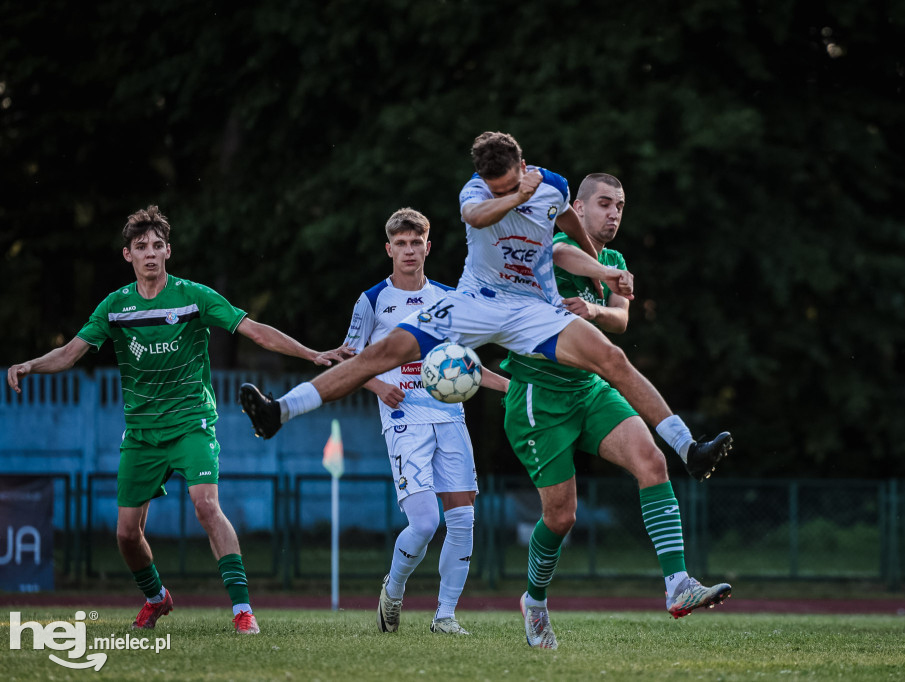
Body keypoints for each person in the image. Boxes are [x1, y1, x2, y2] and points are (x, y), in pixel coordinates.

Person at [238, 132, 731, 541]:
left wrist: (601, 270)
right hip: (474, 303)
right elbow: (478, 217)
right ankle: (278, 412)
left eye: (508, 183)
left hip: (532, 310)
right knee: (382, 353)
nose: (497, 191)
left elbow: (567, 220)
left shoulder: (554, 185)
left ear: (522, 163)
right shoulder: (476, 193)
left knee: (611, 358)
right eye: (493, 186)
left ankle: (689, 449)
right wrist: (515, 194)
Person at [6, 206, 339, 635]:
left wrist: (312, 355)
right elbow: (70, 353)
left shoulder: (193, 297)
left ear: (168, 252)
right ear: (128, 255)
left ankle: (242, 610)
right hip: (141, 435)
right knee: (127, 535)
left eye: (157, 246)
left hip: (191, 423)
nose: (150, 254)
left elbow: (254, 330)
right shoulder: (115, 306)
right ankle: (156, 598)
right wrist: (30, 364)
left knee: (205, 505)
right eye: (141, 247)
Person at [502, 173, 731, 650]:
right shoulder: (557, 239)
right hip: (537, 398)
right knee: (562, 518)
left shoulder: (616, 259)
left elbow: (622, 318)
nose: (613, 213)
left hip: (587, 389)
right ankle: (535, 600)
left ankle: (678, 584)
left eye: (620, 206)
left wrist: (594, 308)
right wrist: (602, 278)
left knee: (651, 462)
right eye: (604, 203)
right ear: (578, 209)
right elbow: (564, 255)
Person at [328, 208, 508, 636]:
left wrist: (513, 388)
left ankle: (444, 616)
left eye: (416, 243)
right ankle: (394, 589)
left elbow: (467, 366)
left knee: (463, 520)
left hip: (450, 417)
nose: (409, 250)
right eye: (401, 244)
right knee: (425, 523)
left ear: (429, 246)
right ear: (389, 249)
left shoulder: (449, 299)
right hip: (403, 417)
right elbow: (346, 360)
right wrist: (377, 385)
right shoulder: (372, 300)